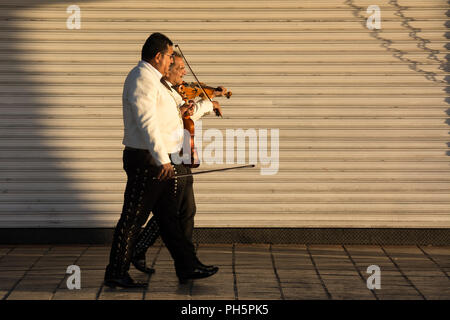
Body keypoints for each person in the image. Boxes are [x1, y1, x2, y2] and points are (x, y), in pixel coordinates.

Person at [104, 33, 218, 288]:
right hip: (149, 161)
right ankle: (116, 272)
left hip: (159, 159)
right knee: (133, 217)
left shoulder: (155, 81)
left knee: (170, 219)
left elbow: (168, 117)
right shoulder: (142, 79)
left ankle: (187, 266)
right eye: (169, 56)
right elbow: (148, 123)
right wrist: (162, 159)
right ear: (158, 56)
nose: (171, 61)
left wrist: (189, 110)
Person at [131, 52, 226, 275]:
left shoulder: (173, 91)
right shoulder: (162, 90)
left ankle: (184, 263)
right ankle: (180, 263)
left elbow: (184, 117)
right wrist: (207, 104)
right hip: (171, 155)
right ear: (167, 68)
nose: (184, 73)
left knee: (183, 210)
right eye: (180, 68)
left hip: (178, 154)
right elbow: (171, 121)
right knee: (174, 212)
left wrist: (204, 104)